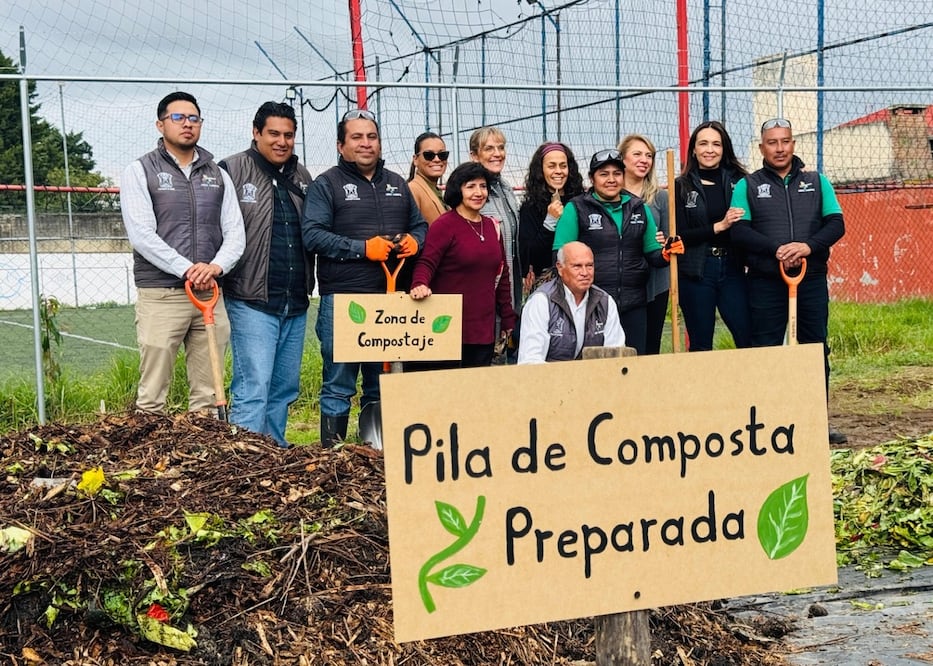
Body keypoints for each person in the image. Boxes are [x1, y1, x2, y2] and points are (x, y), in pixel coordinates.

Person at [302, 108, 428, 448]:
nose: (365, 143)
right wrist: (361, 249)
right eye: (356, 137)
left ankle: (376, 452)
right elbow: (312, 234)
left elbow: (419, 226)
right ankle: (334, 455)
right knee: (340, 382)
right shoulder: (326, 184)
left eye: (371, 137)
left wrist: (416, 240)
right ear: (341, 145)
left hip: (388, 300)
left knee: (381, 380)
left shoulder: (397, 183)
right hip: (344, 300)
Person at [120, 91, 245, 414]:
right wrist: (188, 269)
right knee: (152, 394)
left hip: (208, 294)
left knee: (207, 394)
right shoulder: (140, 170)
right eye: (178, 118)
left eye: (193, 118)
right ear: (160, 124)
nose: (187, 124)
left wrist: (215, 267)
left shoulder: (217, 174)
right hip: (161, 295)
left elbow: (235, 233)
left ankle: (203, 458)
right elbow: (142, 235)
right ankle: (148, 459)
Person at [730, 117, 847, 444]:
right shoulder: (748, 186)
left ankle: (814, 422)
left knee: (813, 350)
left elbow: (836, 224)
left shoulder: (817, 181)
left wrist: (808, 246)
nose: (779, 148)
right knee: (766, 350)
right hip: (766, 282)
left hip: (809, 280)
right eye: (772, 142)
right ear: (761, 148)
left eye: (785, 141)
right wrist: (777, 250)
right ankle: (766, 426)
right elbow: (740, 231)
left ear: (793, 144)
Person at [218, 101, 313, 447]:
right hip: (251, 298)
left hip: (295, 299)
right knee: (254, 384)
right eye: (273, 133)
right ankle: (246, 458)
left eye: (289, 135)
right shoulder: (231, 170)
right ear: (256, 133)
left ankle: (274, 457)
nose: (282, 141)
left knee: (284, 387)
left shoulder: (302, 177)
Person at [552, 149, 682, 356]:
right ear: (592, 178)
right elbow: (560, 255)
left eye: (617, 173)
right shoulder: (576, 208)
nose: (611, 179)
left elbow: (653, 253)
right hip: (592, 304)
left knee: (634, 362)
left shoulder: (638, 207)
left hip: (634, 303)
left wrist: (667, 252)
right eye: (604, 174)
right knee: (594, 366)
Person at [409, 162, 517, 368]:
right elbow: (427, 261)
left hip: (482, 329)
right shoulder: (445, 224)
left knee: (474, 393)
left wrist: (507, 318)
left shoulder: (493, 227)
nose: (479, 192)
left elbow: (502, 276)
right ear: (458, 190)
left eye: (483, 186)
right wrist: (419, 283)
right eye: (471, 186)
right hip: (446, 326)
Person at [675, 120, 752, 352]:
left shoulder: (742, 181)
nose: (710, 149)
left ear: (724, 148)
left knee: (747, 335)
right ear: (694, 150)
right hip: (696, 271)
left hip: (733, 268)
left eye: (716, 144)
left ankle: (748, 387)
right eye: (704, 144)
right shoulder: (682, 186)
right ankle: (700, 388)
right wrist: (718, 226)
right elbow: (680, 235)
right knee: (700, 343)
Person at [518, 241, 625, 364]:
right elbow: (530, 361)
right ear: (560, 268)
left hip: (594, 379)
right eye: (577, 266)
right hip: (550, 380)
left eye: (589, 265)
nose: (585, 273)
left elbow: (616, 355)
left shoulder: (605, 302)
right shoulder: (541, 301)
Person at [469, 127, 522, 358]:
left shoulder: (506, 189)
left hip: (509, 296)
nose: (497, 153)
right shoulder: (473, 193)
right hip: (485, 299)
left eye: (501, 147)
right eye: (489, 148)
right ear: (474, 155)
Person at [619, 134, 669, 355]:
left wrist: (664, 242)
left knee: (651, 347)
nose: (644, 160)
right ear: (622, 159)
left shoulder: (660, 197)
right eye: (637, 154)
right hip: (624, 282)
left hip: (656, 283)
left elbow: (670, 237)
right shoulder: (613, 195)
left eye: (649, 156)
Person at [518, 141, 585, 292]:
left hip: (580, 281)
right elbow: (531, 255)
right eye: (551, 166)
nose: (558, 171)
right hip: (546, 286)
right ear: (541, 170)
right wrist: (550, 221)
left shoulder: (581, 202)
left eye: (563, 165)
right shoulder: (530, 208)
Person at [407, 131, 449, 224]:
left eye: (442, 155)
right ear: (415, 159)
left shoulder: (437, 191)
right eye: (429, 155)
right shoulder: (412, 190)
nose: (437, 160)